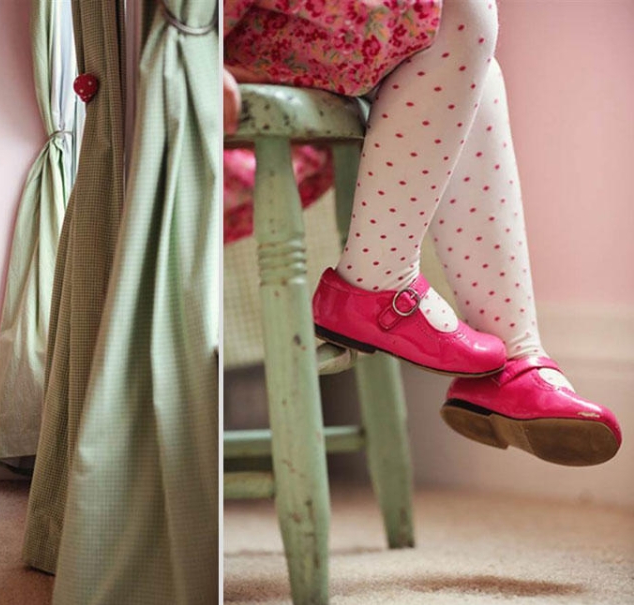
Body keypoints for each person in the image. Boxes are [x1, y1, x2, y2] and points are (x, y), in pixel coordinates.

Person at [223, 0, 621, 466]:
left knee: (475, 62)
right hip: (207, 36)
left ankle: (514, 359)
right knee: (456, 14)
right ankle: (379, 282)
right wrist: (197, 50)